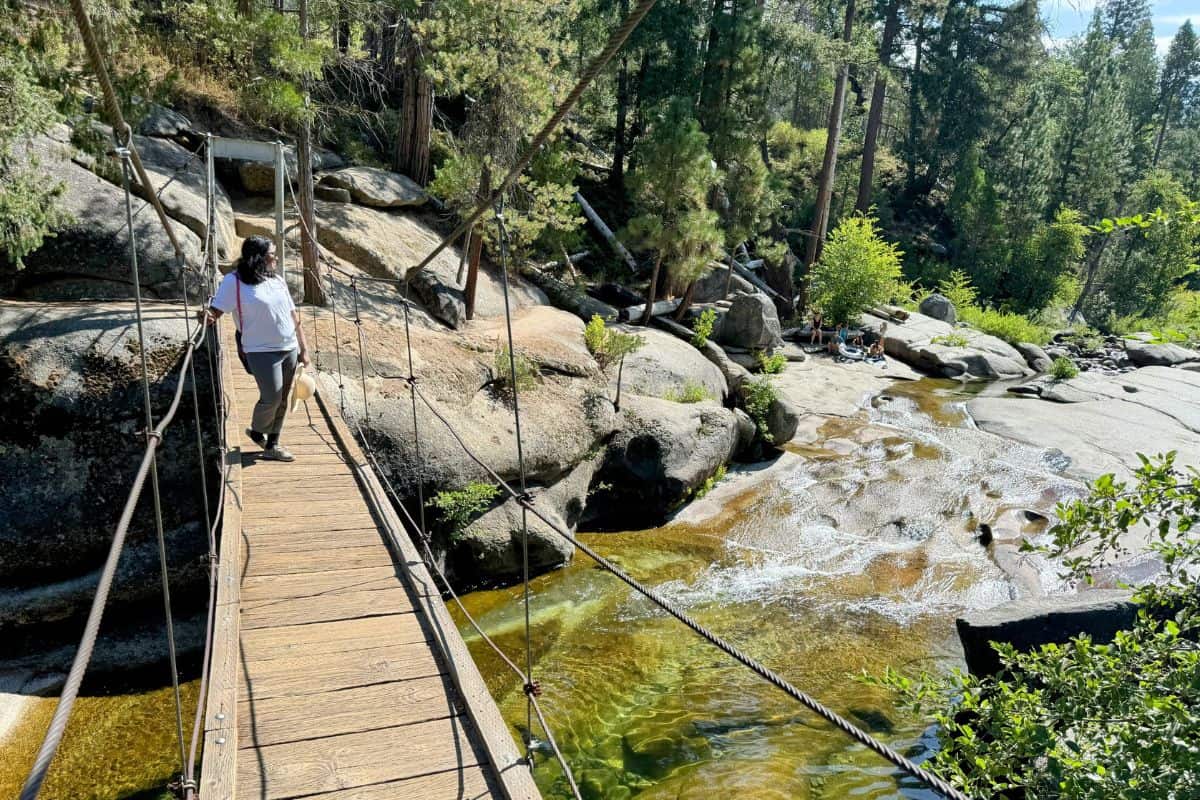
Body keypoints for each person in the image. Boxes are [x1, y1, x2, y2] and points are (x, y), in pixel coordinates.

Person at [207, 235, 311, 462]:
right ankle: (257, 430)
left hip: (289, 347)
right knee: (271, 397)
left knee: (284, 398)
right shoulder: (233, 281)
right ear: (259, 258)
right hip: (259, 349)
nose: (276, 258)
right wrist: (204, 317)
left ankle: (272, 444)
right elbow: (215, 312)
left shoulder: (277, 280)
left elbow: (293, 316)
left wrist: (304, 348)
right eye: (272, 253)